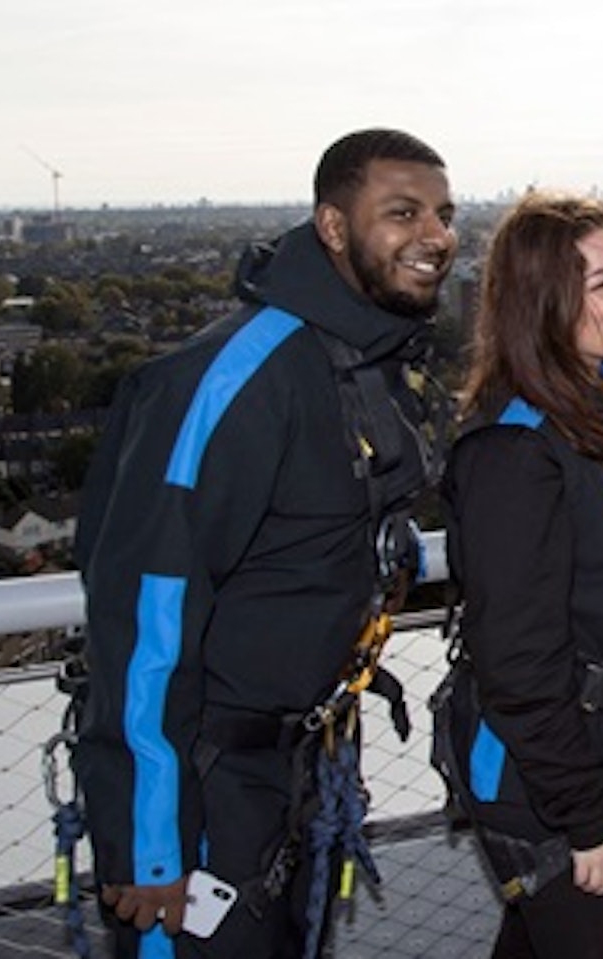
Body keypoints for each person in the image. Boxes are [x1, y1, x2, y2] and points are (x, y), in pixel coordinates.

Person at [73, 128, 456, 958]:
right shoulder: (234, 379)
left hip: (300, 774)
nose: (435, 236)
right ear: (330, 226)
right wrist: (152, 846)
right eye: (401, 213)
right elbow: (147, 614)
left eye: (443, 214)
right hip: (210, 797)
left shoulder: (360, 363)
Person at [435, 192, 603, 959]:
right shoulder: (516, 453)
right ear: (543, 305)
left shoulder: (589, 422)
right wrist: (586, 817)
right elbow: (518, 662)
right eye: (599, 284)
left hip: (571, 743)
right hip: (539, 770)